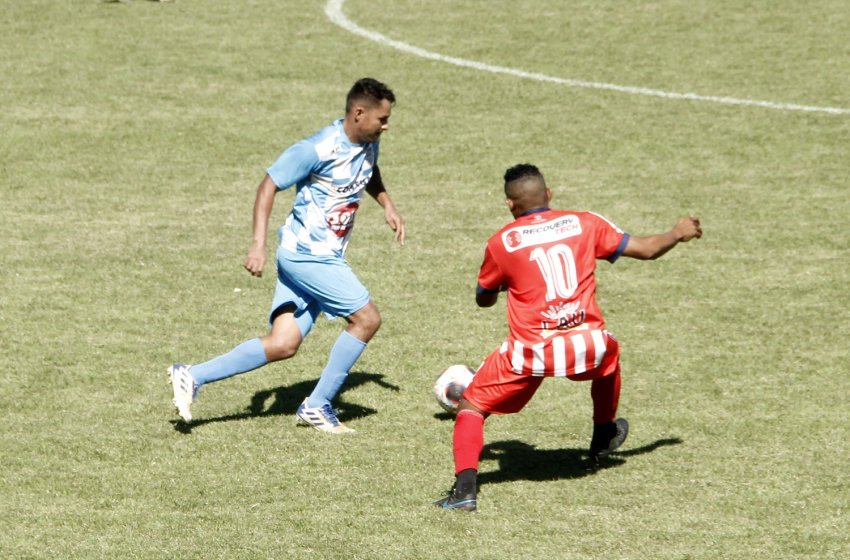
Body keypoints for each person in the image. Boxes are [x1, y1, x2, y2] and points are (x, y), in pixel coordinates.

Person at [434, 163, 701, 511]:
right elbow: (647, 249)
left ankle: (464, 490)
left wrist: (504, 283)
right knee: (609, 350)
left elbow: (483, 298)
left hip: (533, 352)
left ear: (510, 205)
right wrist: (677, 232)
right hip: (586, 343)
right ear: (549, 194)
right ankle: (603, 433)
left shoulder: (503, 242)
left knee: (472, 407)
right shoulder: (584, 222)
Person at [169, 78, 405, 433]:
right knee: (367, 319)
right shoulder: (316, 148)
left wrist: (387, 204)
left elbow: (367, 172)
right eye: (382, 119)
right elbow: (268, 185)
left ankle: (191, 375)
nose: (386, 125)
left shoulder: (368, 142)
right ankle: (318, 404)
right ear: (359, 113)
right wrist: (257, 244)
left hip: (313, 255)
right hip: (309, 256)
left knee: (283, 344)